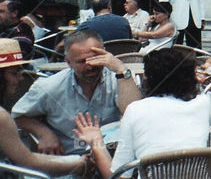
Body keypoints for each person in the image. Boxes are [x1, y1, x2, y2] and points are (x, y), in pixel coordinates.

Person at [73, 48, 211, 177]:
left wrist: (96, 142)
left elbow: (119, 175)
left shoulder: (135, 110)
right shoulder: (204, 103)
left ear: (148, 80)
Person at [12, 29, 141, 154]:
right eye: (82, 62)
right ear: (68, 62)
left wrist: (121, 69)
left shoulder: (119, 79)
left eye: (95, 59)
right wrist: (43, 133)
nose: (90, 65)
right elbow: (18, 116)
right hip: (71, 158)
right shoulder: (49, 87)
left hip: (113, 155)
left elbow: (135, 113)